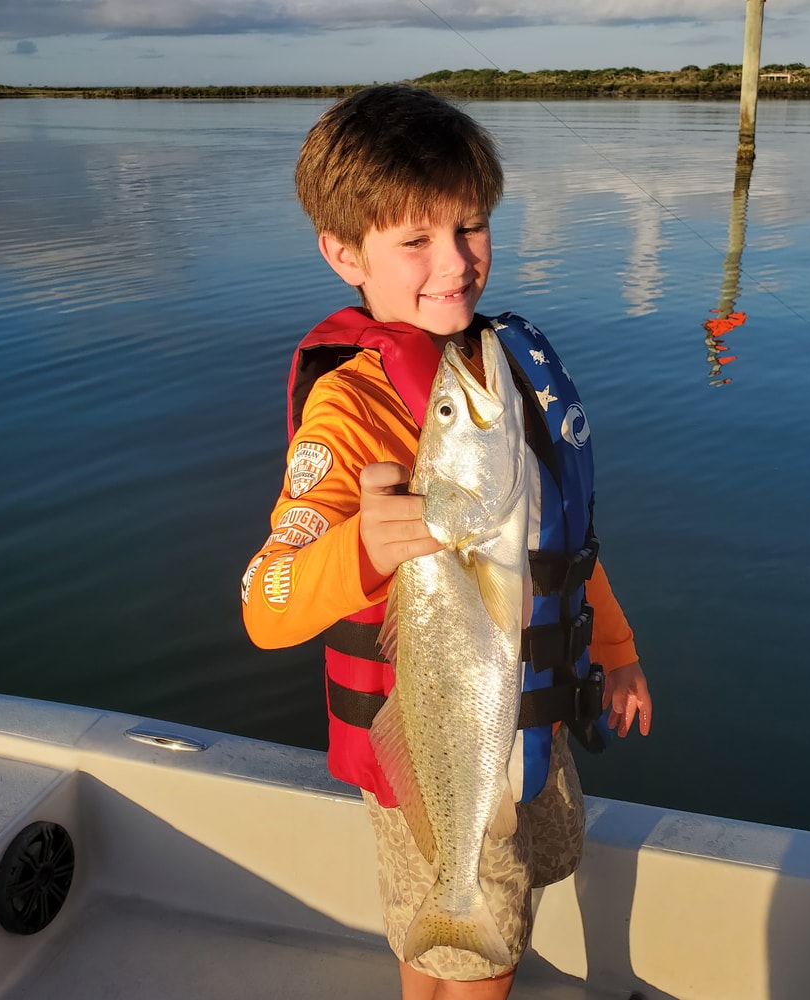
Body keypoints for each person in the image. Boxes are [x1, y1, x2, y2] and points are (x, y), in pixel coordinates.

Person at [241, 85, 652, 1000]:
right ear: (344, 253)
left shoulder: (497, 371)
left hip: (523, 715)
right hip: (445, 740)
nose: (455, 265)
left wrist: (616, 651)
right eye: (414, 241)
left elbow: (558, 542)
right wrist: (360, 545)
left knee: (451, 935)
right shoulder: (349, 410)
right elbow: (264, 604)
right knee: (484, 950)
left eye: (470, 228)